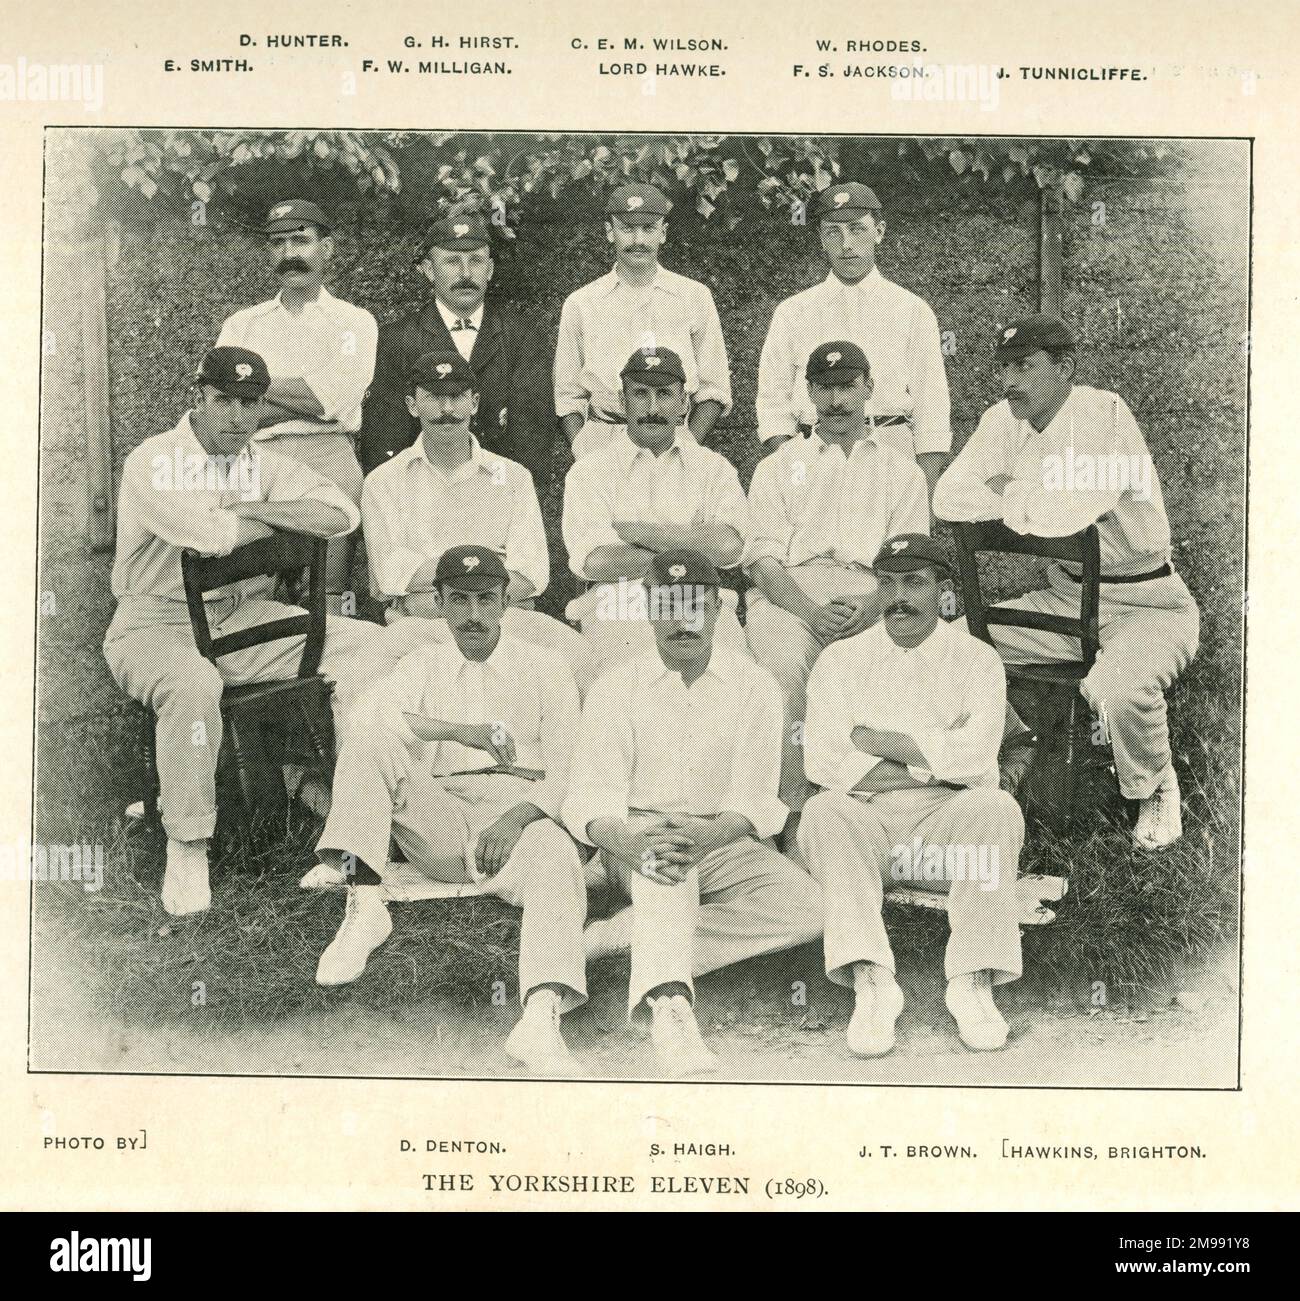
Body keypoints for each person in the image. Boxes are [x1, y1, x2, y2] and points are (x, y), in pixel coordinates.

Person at [102, 347, 387, 917]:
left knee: (373, 648)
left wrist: (254, 506)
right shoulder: (153, 460)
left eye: (250, 404)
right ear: (197, 397)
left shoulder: (258, 459)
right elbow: (206, 535)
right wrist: (268, 514)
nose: (237, 417)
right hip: (156, 624)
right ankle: (188, 845)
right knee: (194, 686)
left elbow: (338, 513)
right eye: (224, 401)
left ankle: (343, 815)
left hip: (241, 617)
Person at [312, 545, 588, 1075]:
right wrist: (459, 732)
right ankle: (365, 907)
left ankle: (541, 1015)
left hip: (517, 816)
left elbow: (570, 766)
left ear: (506, 601)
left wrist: (518, 817)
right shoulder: (423, 663)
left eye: (486, 599)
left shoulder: (547, 668)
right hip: (440, 814)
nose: (473, 615)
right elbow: (370, 721)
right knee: (371, 738)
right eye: (459, 601)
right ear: (438, 603)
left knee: (556, 852)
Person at [932, 314, 1198, 850]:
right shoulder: (1002, 420)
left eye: (1025, 367)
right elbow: (947, 497)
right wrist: (1032, 495)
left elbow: (1067, 517)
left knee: (1116, 688)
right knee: (949, 649)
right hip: (1066, 595)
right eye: (1005, 368)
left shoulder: (1105, 415)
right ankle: (1004, 757)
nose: (1011, 382)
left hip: (1149, 601)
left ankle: (1152, 784)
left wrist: (1009, 490)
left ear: (1065, 368)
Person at [562, 550, 822, 1077]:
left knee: (809, 906)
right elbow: (588, 801)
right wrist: (631, 840)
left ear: (719, 610)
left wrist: (709, 835)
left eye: (697, 605)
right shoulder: (617, 685)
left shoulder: (756, 686)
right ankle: (671, 1007)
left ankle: (622, 937)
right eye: (667, 605)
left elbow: (756, 803)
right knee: (666, 864)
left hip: (723, 839)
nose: (683, 620)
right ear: (648, 611)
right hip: (636, 835)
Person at [799, 534, 1025, 1055]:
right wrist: (932, 762)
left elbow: (979, 761)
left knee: (994, 806)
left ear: (944, 592)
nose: (899, 597)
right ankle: (872, 982)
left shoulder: (977, 659)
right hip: (864, 835)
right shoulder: (840, 660)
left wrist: (879, 745)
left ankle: (973, 980)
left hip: (945, 835)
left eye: (915, 584)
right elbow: (822, 763)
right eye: (889, 583)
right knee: (824, 808)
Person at [744, 340, 930, 818]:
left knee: (913, 659)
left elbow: (907, 562)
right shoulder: (778, 468)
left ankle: (888, 809)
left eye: (847, 387)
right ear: (808, 393)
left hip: (874, 593)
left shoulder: (900, 469)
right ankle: (791, 814)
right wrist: (809, 613)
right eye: (824, 390)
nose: (837, 402)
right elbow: (763, 563)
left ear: (869, 388)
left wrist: (871, 608)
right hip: (791, 595)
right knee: (783, 669)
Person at [361, 350, 589, 678]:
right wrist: (490, 571)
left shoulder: (512, 477)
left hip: (508, 622)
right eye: (434, 397)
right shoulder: (383, 481)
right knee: (361, 690)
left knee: (581, 661)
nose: (447, 410)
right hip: (420, 630)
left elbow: (531, 575)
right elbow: (390, 577)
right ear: (412, 405)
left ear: (475, 403)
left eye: (457, 397)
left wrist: (431, 586)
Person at [216, 199, 377, 609]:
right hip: (255, 456)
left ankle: (328, 659)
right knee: (248, 591)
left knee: (327, 595)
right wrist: (309, 397)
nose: (289, 254)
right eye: (278, 243)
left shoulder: (353, 321)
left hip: (329, 453)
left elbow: (337, 400)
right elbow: (225, 405)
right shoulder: (243, 325)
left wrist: (256, 389)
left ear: (327, 248)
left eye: (300, 241)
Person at [562, 346, 750, 680]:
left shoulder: (713, 468)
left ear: (683, 404)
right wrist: (691, 547)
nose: (652, 408)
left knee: (736, 678)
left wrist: (644, 534)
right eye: (640, 394)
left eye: (664, 395)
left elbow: (730, 547)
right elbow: (596, 562)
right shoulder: (590, 471)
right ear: (622, 401)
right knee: (622, 681)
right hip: (621, 601)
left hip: (700, 598)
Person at [755, 182, 951, 499]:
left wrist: (923, 493)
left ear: (879, 231)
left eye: (857, 229)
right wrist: (792, 466)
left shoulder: (912, 310)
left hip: (891, 450)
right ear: (821, 238)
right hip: (813, 451)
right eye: (833, 232)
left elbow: (932, 408)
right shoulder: (793, 312)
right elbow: (772, 403)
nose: (846, 244)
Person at [358, 212, 556, 489]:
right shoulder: (398, 339)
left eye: (475, 261)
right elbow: (384, 437)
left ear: (489, 270)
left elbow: (533, 434)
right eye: (452, 261)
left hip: (497, 488)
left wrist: (515, 496)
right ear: (429, 270)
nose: (465, 274)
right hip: (424, 492)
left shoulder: (522, 336)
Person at [554, 183, 731, 460]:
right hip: (604, 442)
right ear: (610, 232)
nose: (638, 240)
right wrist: (584, 450)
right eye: (627, 228)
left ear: (663, 233)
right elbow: (567, 396)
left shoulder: (694, 296)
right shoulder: (582, 303)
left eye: (648, 228)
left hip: (673, 440)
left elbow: (714, 389)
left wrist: (688, 446)